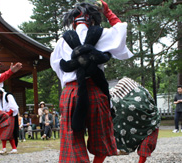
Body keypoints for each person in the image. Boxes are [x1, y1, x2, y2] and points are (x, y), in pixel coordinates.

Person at [50, 1, 133, 162]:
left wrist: (68, 86)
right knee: (102, 139)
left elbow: (57, 66)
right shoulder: (102, 34)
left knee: (72, 142)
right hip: (96, 92)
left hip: (71, 93)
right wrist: (107, 11)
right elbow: (120, 30)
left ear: (73, 21)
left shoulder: (61, 42)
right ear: (93, 19)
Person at [110, 77, 160, 163]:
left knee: (145, 147)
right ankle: (124, 148)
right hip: (145, 121)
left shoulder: (139, 95)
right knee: (145, 147)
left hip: (151, 122)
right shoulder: (127, 103)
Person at [0, 88, 19, 154]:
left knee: (6, 132)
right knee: (8, 133)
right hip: (4, 116)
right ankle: (13, 149)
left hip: (10, 116)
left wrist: (7, 114)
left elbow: (14, 107)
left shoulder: (8, 96)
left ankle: (5, 149)